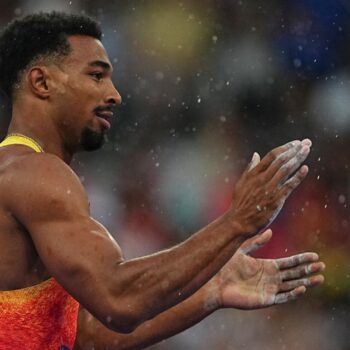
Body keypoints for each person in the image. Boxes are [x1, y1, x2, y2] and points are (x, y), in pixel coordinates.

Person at [0, 12, 324, 350]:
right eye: (96, 75)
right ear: (41, 83)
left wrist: (212, 289)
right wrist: (237, 222)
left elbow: (89, 335)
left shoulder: (21, 173)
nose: (114, 94)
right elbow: (118, 297)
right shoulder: (34, 174)